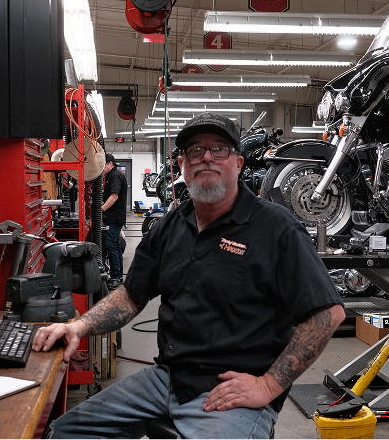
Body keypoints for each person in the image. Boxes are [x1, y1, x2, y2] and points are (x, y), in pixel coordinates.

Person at [32, 112, 345, 439]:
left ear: (238, 163)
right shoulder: (171, 224)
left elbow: (327, 314)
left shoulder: (276, 228)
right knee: (64, 432)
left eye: (219, 149)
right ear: (182, 164)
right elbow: (131, 295)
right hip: (167, 377)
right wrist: (77, 327)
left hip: (230, 387)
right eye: (195, 150)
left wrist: (269, 385)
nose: (206, 157)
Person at [102, 153, 127, 289]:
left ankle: (116, 277)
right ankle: (118, 276)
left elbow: (114, 197)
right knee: (115, 246)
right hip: (113, 217)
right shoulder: (110, 176)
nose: (101, 167)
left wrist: (100, 210)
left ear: (110, 163)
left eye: (103, 164)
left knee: (112, 246)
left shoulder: (115, 176)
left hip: (114, 218)